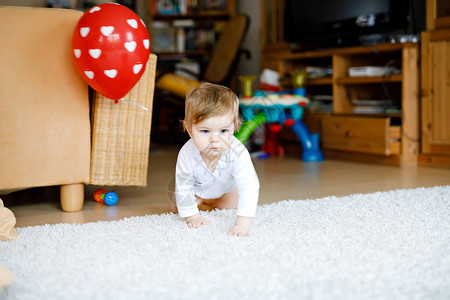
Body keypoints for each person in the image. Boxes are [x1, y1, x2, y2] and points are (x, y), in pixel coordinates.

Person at [173, 82, 260, 237]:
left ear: (234, 126)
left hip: (226, 190)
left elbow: (249, 186)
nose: (215, 139)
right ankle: (201, 203)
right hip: (197, 190)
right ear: (189, 129)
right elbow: (184, 185)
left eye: (223, 130)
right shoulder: (186, 153)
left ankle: (213, 202)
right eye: (205, 131)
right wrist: (193, 216)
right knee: (178, 204)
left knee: (228, 209)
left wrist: (242, 225)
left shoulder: (237, 152)